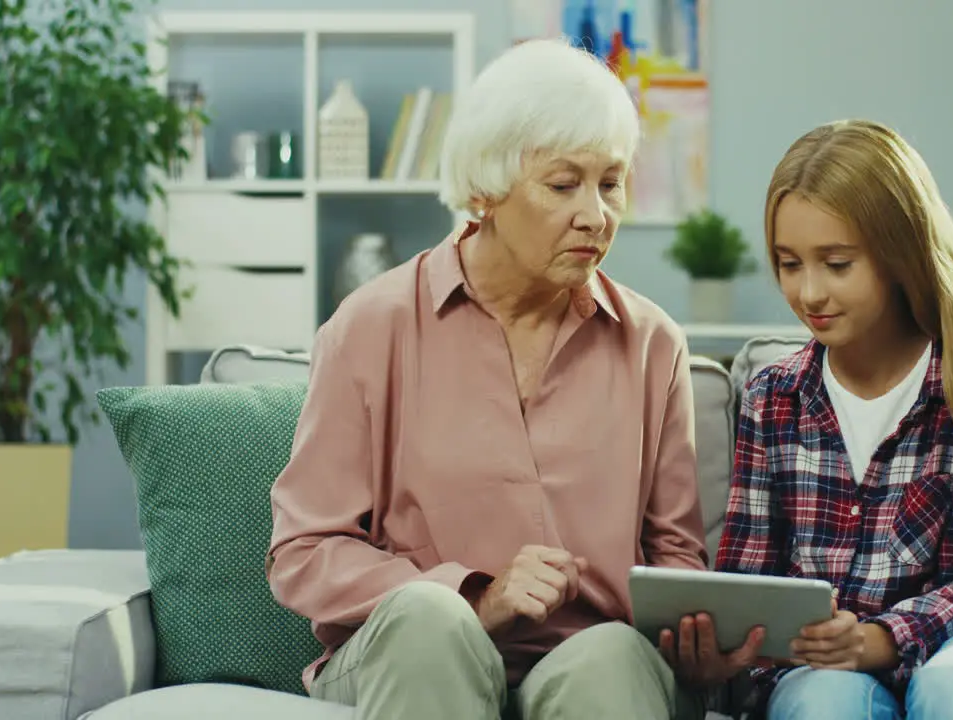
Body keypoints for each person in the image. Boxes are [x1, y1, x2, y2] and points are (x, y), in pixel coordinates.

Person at [264, 38, 760, 720]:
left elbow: (672, 554)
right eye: (563, 185)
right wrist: (474, 597)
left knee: (613, 659)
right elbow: (305, 550)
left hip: (589, 657)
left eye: (610, 183)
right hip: (414, 655)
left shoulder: (652, 346)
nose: (596, 214)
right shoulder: (370, 327)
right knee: (431, 621)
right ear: (484, 190)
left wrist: (695, 638)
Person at [714, 119, 953, 720]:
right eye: (788, 263)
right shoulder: (771, 400)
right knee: (823, 700)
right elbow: (750, 585)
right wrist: (730, 647)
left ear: (899, 255)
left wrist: (879, 640)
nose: (809, 293)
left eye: (836, 264)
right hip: (823, 669)